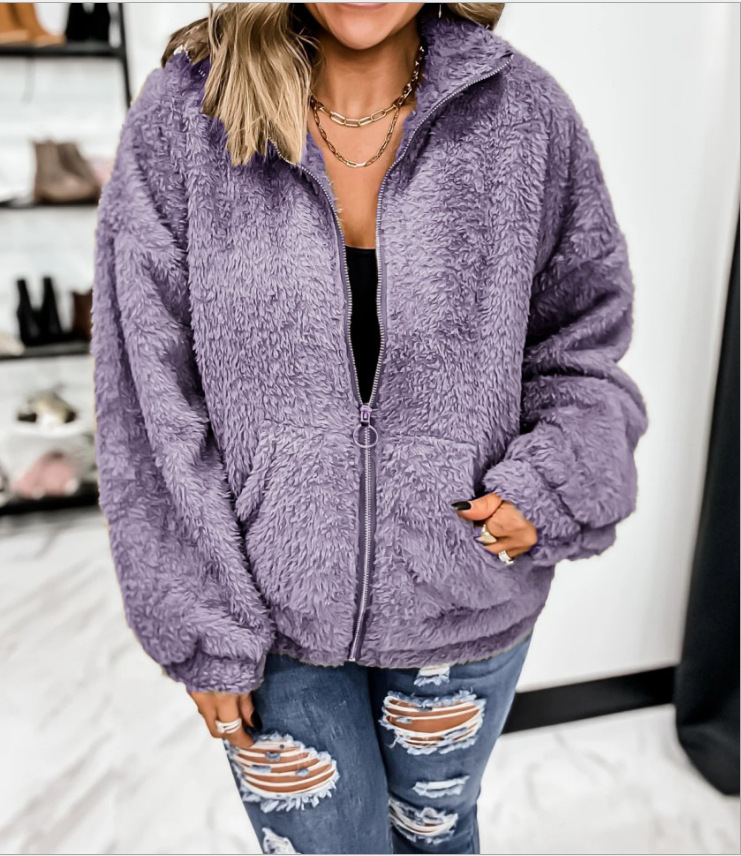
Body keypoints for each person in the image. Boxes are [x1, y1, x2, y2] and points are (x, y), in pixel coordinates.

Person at [90, 3, 648, 853]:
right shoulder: (187, 115)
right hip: (269, 616)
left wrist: (552, 483)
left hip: (464, 605)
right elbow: (144, 397)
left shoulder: (523, 114)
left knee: (436, 838)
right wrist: (203, 624)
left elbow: (582, 339)